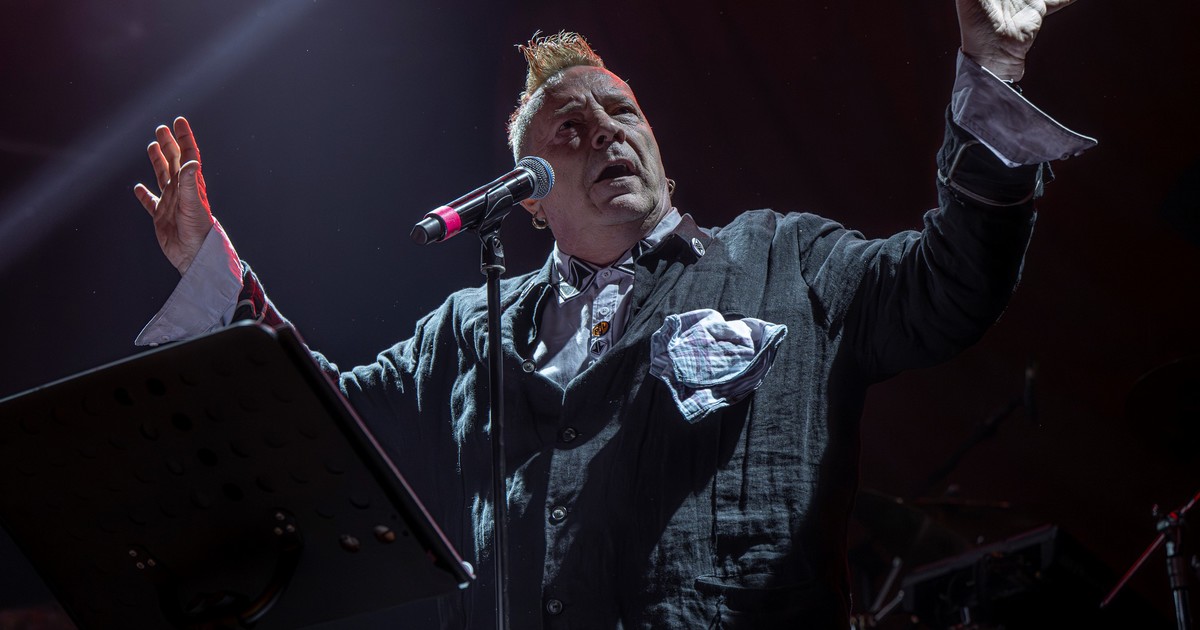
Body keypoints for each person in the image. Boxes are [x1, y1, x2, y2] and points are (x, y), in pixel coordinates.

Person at [131, 2, 1093, 627]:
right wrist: (211, 270)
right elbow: (324, 422)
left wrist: (994, 68)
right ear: (529, 196)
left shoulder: (784, 260)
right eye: (571, 129)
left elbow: (949, 283)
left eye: (622, 115)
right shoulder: (467, 329)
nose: (606, 135)